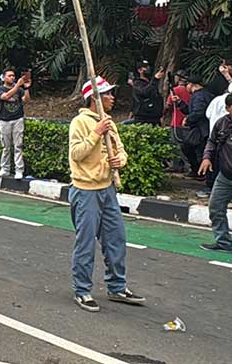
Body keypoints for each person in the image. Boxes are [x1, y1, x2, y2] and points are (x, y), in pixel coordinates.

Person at [68, 77, 144, 312]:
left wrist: (119, 160)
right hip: (85, 191)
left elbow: (121, 152)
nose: (113, 97)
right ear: (95, 99)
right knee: (86, 244)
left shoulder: (109, 122)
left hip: (107, 189)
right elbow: (77, 154)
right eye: (108, 94)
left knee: (116, 239)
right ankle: (82, 290)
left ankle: (117, 287)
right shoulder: (80, 122)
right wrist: (95, 134)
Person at [198, 93, 232, 253]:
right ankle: (223, 242)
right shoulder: (222, 123)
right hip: (225, 174)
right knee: (215, 207)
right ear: (227, 109)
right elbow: (211, 141)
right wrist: (207, 158)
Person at [176, 73, 215, 198]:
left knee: (200, 154)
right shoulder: (207, 94)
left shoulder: (199, 96)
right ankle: (199, 173)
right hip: (205, 130)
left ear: (192, 85)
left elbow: (198, 112)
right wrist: (180, 104)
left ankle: (203, 177)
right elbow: (192, 110)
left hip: (201, 131)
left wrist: (188, 119)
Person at [0, 68, 31, 179]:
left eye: (13, 76)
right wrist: (17, 86)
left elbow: (26, 100)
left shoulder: (19, 89)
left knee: (18, 146)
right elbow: (5, 97)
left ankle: (19, 170)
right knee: (6, 146)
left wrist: (26, 88)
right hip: (4, 120)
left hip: (17, 119)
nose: (12, 77)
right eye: (9, 75)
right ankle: (5, 168)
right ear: (4, 77)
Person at [165, 72, 198, 177]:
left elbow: (168, 105)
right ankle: (190, 166)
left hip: (177, 121)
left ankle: (178, 166)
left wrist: (163, 115)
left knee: (176, 145)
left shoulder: (175, 91)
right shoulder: (193, 93)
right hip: (189, 123)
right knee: (187, 146)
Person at [128, 60, 164, 125]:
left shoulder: (151, 83)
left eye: (148, 66)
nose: (148, 69)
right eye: (145, 67)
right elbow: (144, 92)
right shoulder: (137, 83)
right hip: (143, 119)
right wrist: (155, 79)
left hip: (155, 118)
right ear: (139, 70)